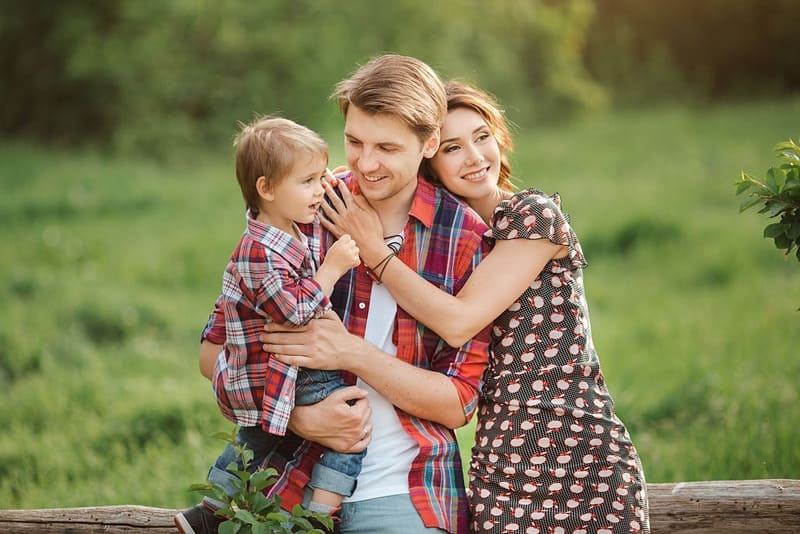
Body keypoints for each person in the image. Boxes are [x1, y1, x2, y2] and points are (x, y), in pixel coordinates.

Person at [318, 81, 651, 533]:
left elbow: (458, 323)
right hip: (501, 454)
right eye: (453, 147)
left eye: (482, 136)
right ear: (429, 157)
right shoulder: (446, 234)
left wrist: (375, 252)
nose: (475, 157)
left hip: (574, 443)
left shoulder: (532, 217)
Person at [196, 55, 492, 534]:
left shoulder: (465, 238)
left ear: (429, 142)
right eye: (355, 141)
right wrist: (297, 416)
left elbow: (458, 401)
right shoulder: (307, 203)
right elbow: (215, 351)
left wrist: (349, 351)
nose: (365, 163)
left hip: (407, 489)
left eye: (387, 148)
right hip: (289, 480)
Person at [174, 116, 364, 534]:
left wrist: (326, 183)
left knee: (255, 442)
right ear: (267, 188)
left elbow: (315, 215)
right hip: (284, 370)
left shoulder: (288, 226)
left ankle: (210, 512)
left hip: (280, 370)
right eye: (308, 181)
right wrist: (331, 270)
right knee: (352, 430)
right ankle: (320, 515)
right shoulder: (258, 252)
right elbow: (294, 313)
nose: (319, 190)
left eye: (320, 178)